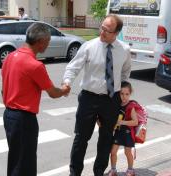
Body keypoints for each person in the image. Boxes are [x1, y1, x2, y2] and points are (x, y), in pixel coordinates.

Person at [62, 14, 131, 176]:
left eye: (107, 30)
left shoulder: (124, 50)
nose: (102, 32)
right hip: (89, 98)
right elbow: (73, 67)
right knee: (81, 138)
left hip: (111, 100)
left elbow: (126, 72)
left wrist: (121, 91)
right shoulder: (89, 46)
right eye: (102, 27)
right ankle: (75, 172)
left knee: (106, 138)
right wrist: (67, 82)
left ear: (116, 33)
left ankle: (99, 171)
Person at [1, 23, 71, 176]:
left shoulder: (10, 57)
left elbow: (2, 90)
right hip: (23, 119)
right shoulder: (35, 65)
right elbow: (53, 92)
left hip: (9, 115)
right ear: (41, 41)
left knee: (15, 159)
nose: (48, 44)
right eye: (48, 41)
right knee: (24, 163)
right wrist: (65, 90)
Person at [108, 81, 138, 176]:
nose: (124, 97)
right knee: (113, 152)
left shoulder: (130, 106)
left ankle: (130, 170)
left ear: (130, 94)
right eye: (122, 94)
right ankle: (113, 170)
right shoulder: (117, 105)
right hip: (118, 132)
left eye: (127, 94)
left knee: (127, 152)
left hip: (128, 133)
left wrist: (122, 122)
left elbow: (135, 122)